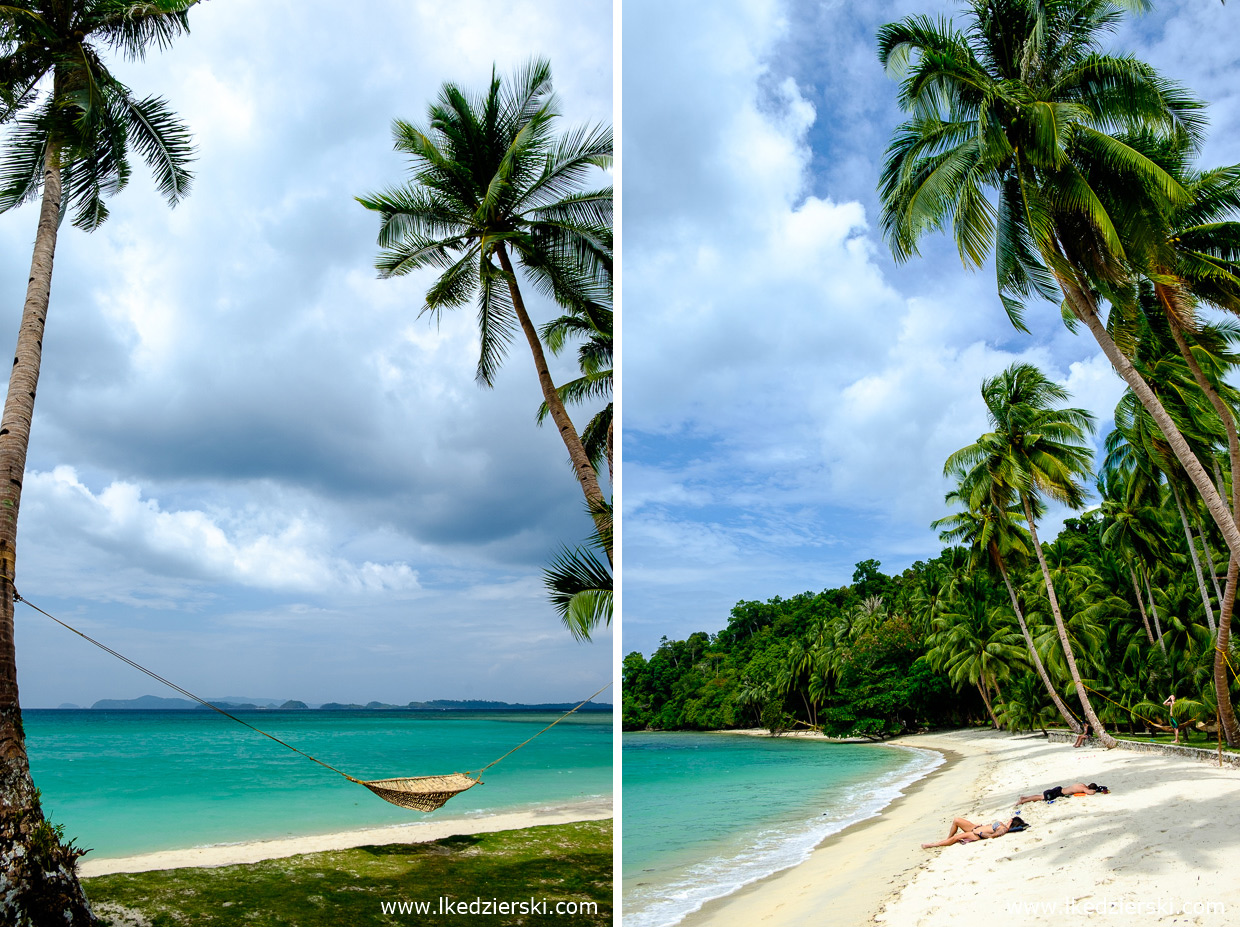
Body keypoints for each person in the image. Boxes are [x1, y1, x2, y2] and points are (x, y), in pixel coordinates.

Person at [921, 815, 1028, 849]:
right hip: (975, 828)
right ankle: (947, 839)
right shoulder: (1003, 826)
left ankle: (933, 845)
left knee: (957, 837)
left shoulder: (1003, 829)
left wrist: (979, 833)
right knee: (956, 820)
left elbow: (992, 836)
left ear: (1012, 821)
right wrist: (980, 827)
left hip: (976, 834)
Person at [1017, 783, 1109, 804]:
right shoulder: (1084, 788)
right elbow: (1090, 792)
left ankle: (1024, 798)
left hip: (1059, 789)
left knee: (1040, 796)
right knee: (1041, 797)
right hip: (1058, 793)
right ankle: (1023, 801)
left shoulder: (1081, 784)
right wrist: (1098, 790)